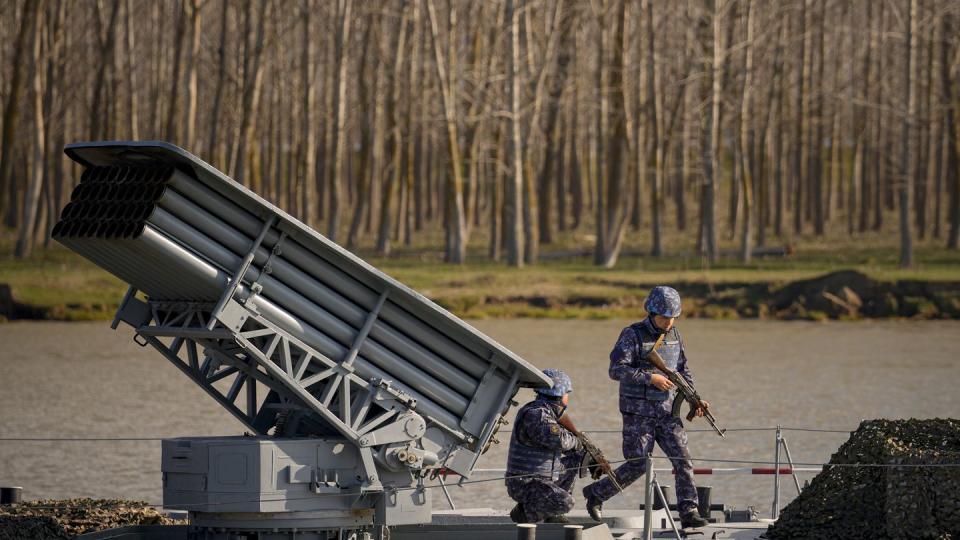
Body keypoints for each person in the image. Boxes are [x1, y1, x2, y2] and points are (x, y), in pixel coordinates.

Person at [582, 286, 709, 529]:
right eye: (664, 317)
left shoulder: (675, 336)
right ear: (651, 312)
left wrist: (695, 398)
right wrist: (651, 378)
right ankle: (597, 493)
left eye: (673, 317)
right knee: (639, 463)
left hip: (667, 412)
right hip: (637, 413)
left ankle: (689, 511)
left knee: (683, 460)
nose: (669, 322)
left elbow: (683, 370)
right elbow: (615, 370)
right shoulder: (632, 334)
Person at [505, 368, 585, 524]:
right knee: (566, 502)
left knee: (577, 458)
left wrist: (587, 456)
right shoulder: (537, 414)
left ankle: (551, 511)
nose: (568, 397)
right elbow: (558, 440)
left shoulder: (548, 412)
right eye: (567, 393)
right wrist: (577, 441)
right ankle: (524, 513)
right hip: (525, 482)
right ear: (560, 394)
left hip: (542, 478)